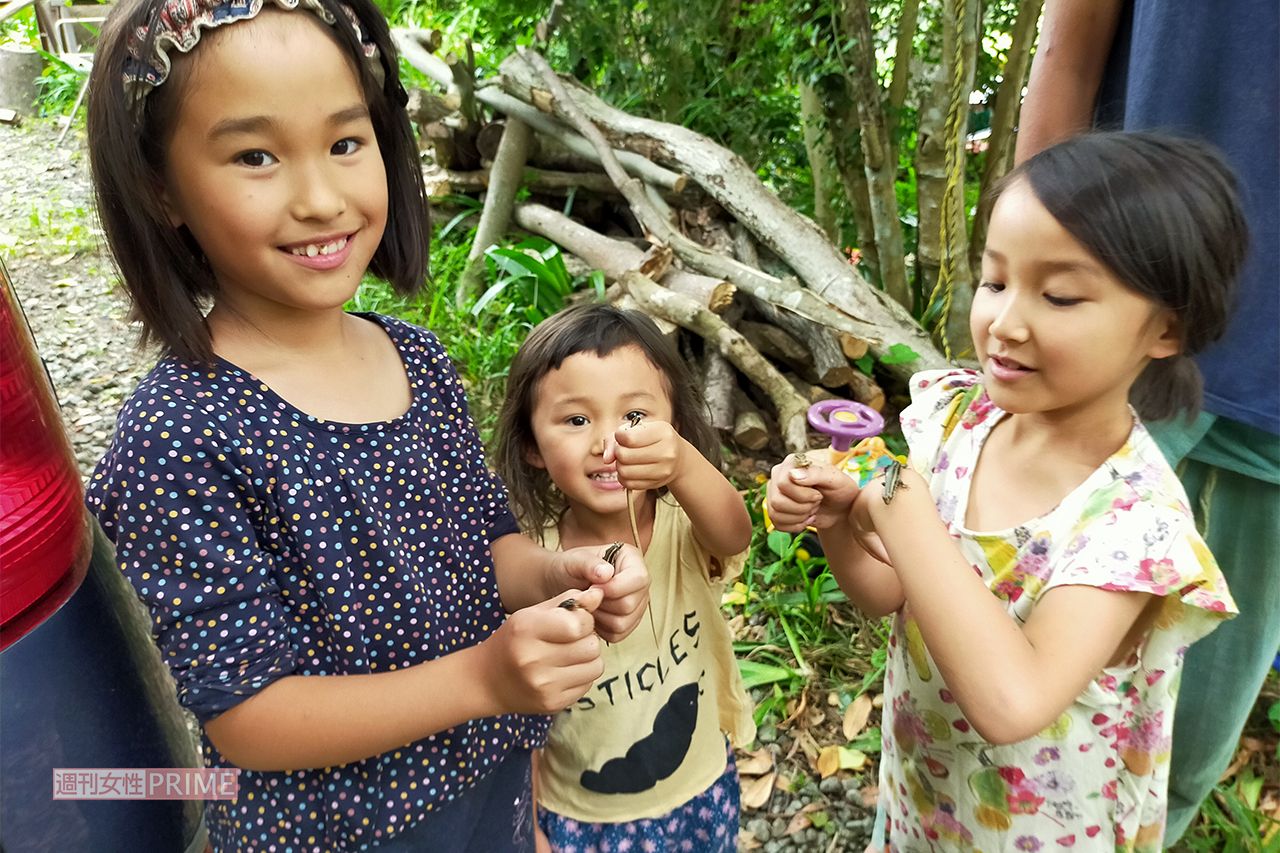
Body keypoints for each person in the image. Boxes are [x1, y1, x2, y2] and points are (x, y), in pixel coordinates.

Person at [82, 1, 651, 849]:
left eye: (346, 142)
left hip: (490, 780)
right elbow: (250, 718)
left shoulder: (415, 358)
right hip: (342, 829)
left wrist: (556, 575)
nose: (320, 198)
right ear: (161, 187)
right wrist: (485, 676)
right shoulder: (178, 435)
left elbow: (482, 543)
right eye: (255, 155)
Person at [768, 132, 1247, 850]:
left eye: (1057, 295)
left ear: (1166, 327)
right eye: (995, 282)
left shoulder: (1133, 519)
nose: (1005, 322)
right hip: (922, 806)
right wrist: (840, 520)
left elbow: (1012, 698)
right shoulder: (961, 420)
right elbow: (893, 590)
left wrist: (891, 497)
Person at [1015, 2, 1280, 840]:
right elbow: (1069, 48)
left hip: (1265, 416)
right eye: (993, 283)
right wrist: (1047, 296)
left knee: (1182, 754)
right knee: (1033, 714)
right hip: (1112, 356)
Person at [492, 304, 755, 853]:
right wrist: (531, 825)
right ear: (531, 447)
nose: (608, 441)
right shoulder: (531, 571)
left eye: (635, 416)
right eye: (576, 420)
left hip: (699, 783)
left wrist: (682, 464)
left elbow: (734, 534)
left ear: (674, 426)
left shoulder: (684, 524)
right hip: (585, 815)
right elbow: (526, 712)